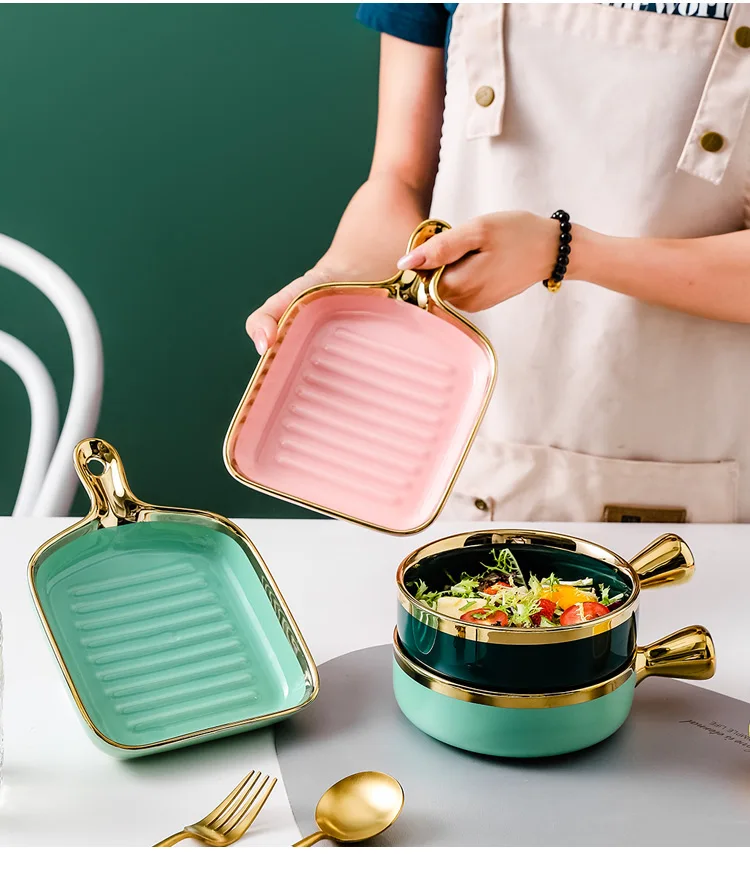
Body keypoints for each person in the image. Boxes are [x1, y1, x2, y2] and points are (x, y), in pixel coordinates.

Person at [245, 2, 750, 524]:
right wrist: (338, 279)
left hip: (694, 466)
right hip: (467, 457)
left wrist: (562, 251)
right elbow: (399, 178)